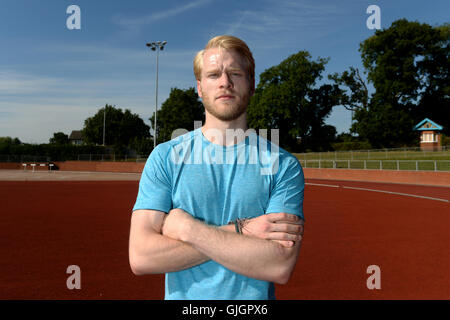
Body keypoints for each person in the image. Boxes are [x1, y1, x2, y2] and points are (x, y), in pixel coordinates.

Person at [129, 35, 305, 300]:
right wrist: (241, 230)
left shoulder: (283, 166)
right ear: (200, 87)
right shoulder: (165, 157)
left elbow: (279, 265)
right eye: (213, 75)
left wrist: (188, 229)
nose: (225, 82)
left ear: (252, 84)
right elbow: (141, 257)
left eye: (235, 73)